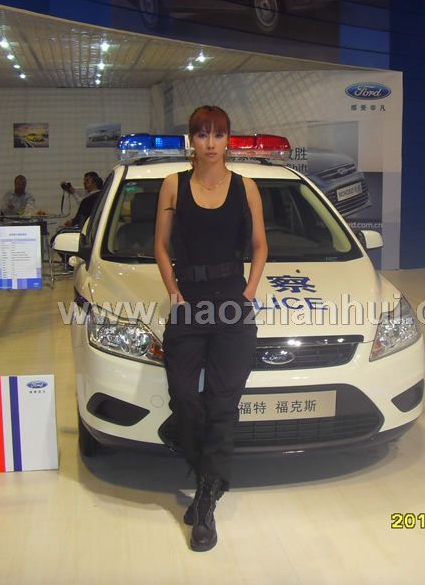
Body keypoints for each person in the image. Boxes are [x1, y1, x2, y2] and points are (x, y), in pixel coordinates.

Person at [154, 105, 268, 552]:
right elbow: (160, 246)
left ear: (228, 140)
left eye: (218, 135)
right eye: (202, 135)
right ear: (192, 141)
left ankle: (204, 502)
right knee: (183, 396)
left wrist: (249, 292)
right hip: (189, 302)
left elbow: (260, 245)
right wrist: (174, 291)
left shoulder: (246, 187)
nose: (211, 143)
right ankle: (210, 475)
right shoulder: (173, 184)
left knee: (223, 402)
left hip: (232, 304)